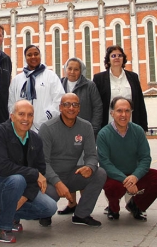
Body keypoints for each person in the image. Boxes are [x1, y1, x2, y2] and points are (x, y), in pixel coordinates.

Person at [0, 100, 57, 243]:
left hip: (20, 189)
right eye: (21, 114)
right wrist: (34, 174)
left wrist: (25, 196)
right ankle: (1, 227)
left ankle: (10, 216)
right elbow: (3, 167)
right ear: (12, 116)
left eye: (30, 115)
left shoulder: (35, 139)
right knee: (17, 179)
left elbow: (41, 170)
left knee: (50, 207)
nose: (26, 119)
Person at [97, 96, 157, 221]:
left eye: (127, 111)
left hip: (134, 174)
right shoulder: (103, 134)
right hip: (115, 176)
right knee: (113, 188)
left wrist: (135, 176)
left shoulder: (137, 130)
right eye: (119, 111)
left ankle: (136, 205)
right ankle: (113, 208)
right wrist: (125, 179)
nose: (123, 115)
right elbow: (105, 163)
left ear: (131, 113)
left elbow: (145, 158)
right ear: (112, 113)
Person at [38, 93, 106, 227]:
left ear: (79, 108)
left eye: (75, 104)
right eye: (67, 104)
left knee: (100, 173)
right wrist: (57, 183)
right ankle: (44, 213)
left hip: (72, 175)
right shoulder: (47, 128)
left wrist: (90, 167)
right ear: (60, 108)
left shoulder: (86, 127)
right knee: (49, 200)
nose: (71, 108)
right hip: (50, 179)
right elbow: (42, 163)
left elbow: (92, 155)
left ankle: (81, 215)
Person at [8, 45, 64, 132]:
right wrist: (17, 119)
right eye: (29, 55)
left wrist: (46, 116)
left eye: (36, 54)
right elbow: (11, 103)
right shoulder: (17, 80)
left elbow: (59, 100)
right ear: (25, 58)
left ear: (40, 56)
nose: (33, 57)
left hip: (46, 126)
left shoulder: (51, 76)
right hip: (22, 126)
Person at [93, 45, 148, 132]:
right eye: (113, 56)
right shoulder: (99, 78)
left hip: (131, 126)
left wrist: (143, 127)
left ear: (123, 59)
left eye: (120, 55)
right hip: (108, 126)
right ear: (108, 60)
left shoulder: (133, 77)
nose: (117, 58)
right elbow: (96, 105)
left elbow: (140, 103)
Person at [61, 57, 102, 139]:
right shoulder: (59, 84)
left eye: (76, 69)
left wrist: (92, 130)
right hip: (62, 131)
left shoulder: (89, 86)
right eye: (70, 68)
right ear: (66, 69)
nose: (72, 72)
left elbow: (98, 107)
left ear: (81, 71)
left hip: (84, 132)